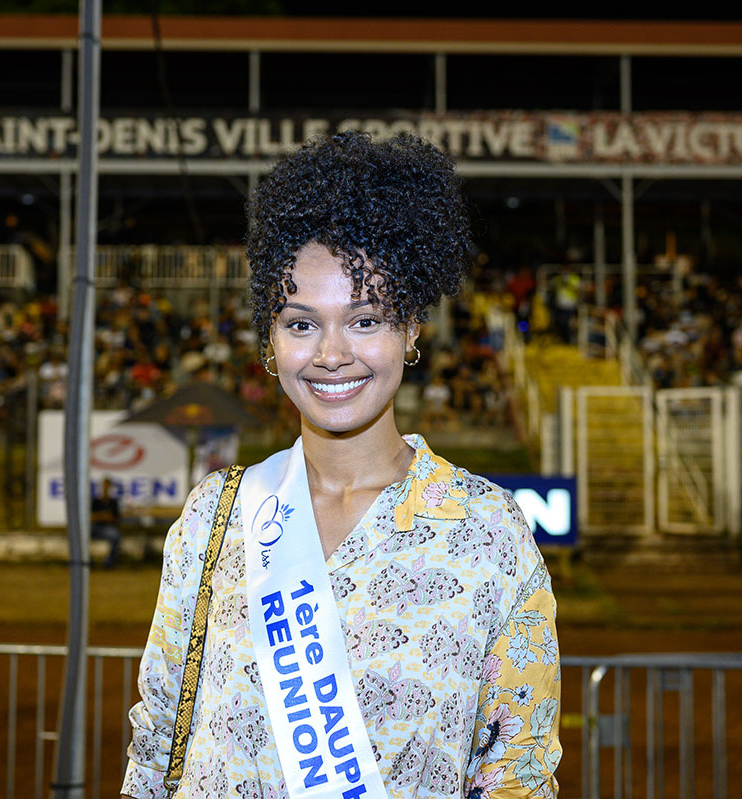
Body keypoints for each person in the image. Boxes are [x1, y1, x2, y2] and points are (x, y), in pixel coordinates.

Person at [121, 131, 562, 799]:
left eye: (365, 320)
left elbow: (517, 776)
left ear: (411, 327)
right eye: (301, 324)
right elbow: (155, 747)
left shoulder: (488, 533)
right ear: (271, 338)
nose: (331, 354)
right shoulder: (216, 518)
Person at [91, 477, 122, 569]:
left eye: (107, 486)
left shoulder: (113, 502)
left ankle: (109, 563)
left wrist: (101, 516)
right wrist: (104, 516)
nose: (105, 488)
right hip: (94, 527)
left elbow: (115, 518)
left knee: (116, 536)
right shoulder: (96, 501)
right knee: (81, 535)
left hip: (107, 528)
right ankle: (87, 560)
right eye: (104, 486)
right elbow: (91, 517)